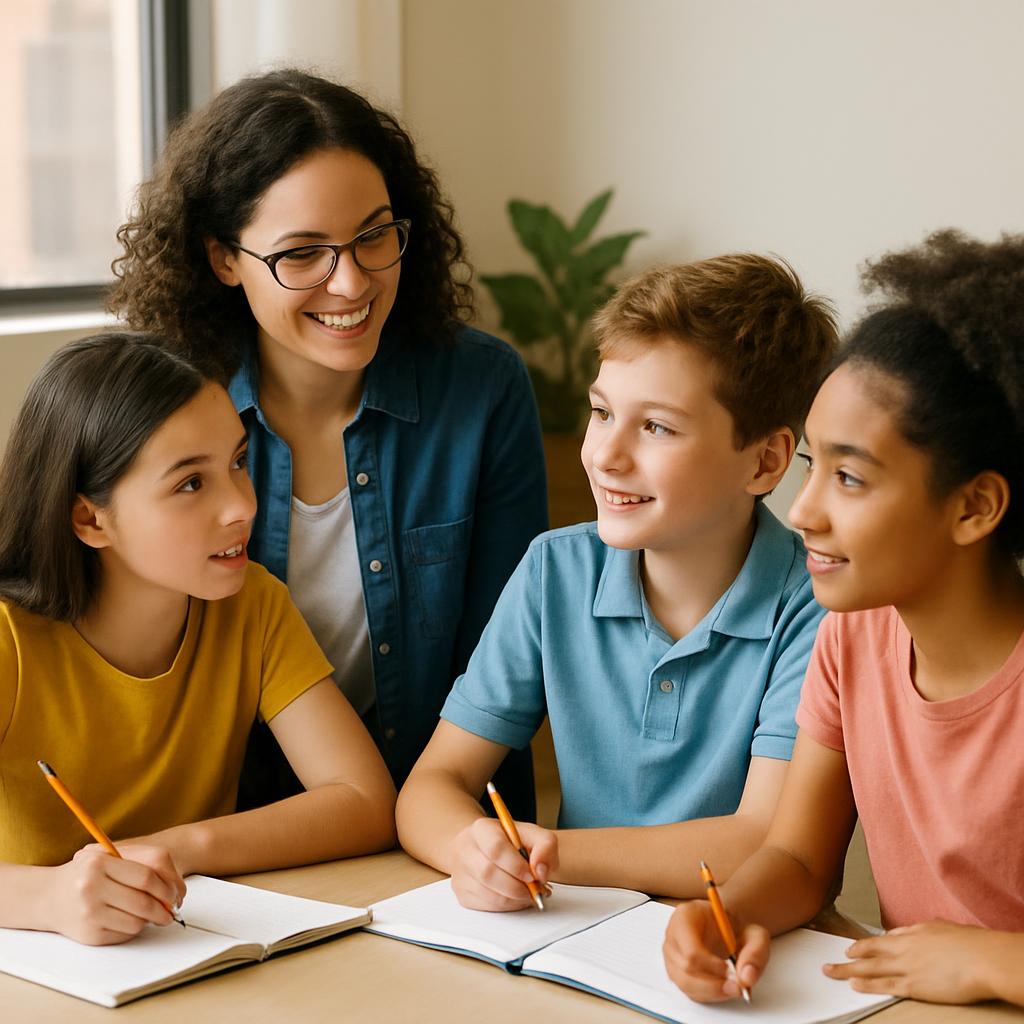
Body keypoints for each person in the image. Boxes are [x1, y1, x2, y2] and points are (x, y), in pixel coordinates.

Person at [108, 69, 547, 819]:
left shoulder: (481, 389)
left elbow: (505, 667)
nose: (351, 284)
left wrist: (451, 836)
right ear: (223, 259)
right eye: (302, 254)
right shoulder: (158, 411)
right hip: (232, 838)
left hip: (445, 832)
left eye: (374, 236)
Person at [396, 255, 838, 907]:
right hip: (573, 934)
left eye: (656, 426)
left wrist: (549, 853)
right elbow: (431, 786)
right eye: (602, 412)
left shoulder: (819, 608)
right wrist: (474, 850)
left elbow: (765, 842)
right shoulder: (555, 571)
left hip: (737, 946)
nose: (605, 454)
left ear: (765, 461)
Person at [662, 230, 1024, 1008]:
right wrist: (726, 916)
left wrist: (995, 961)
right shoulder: (853, 637)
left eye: (851, 478)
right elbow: (798, 857)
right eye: (811, 467)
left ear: (975, 506)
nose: (803, 512)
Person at [0, 333, 396, 946]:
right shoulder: (9, 638)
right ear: (89, 518)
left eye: (238, 462)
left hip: (189, 948)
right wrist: (52, 896)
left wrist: (175, 849)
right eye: (190, 484)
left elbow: (365, 801)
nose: (241, 506)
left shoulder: (252, 604)